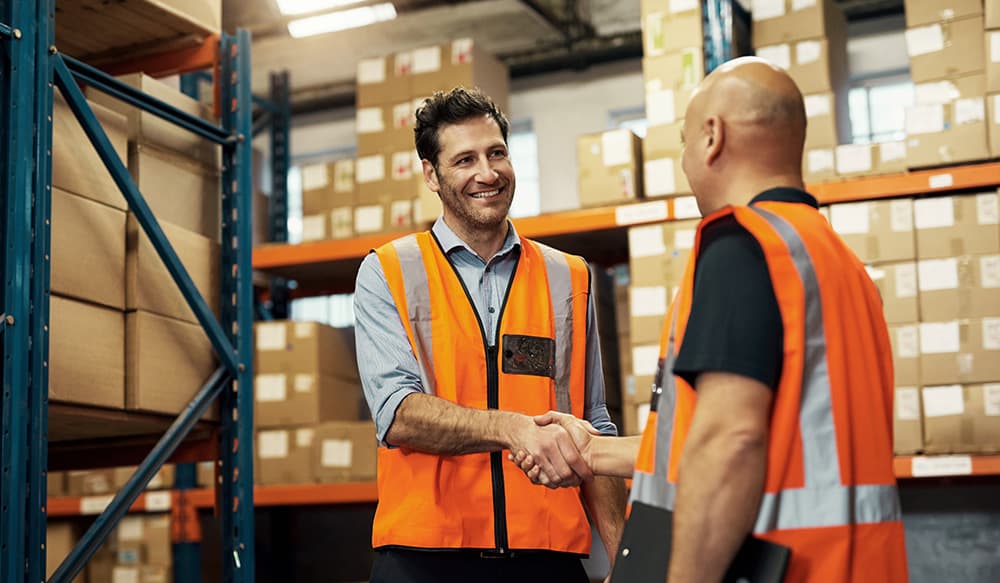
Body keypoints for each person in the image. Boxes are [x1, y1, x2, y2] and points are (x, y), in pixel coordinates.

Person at [513, 57, 909, 582]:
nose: (684, 160)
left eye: (683, 141)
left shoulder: (742, 243)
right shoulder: (839, 264)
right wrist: (593, 449)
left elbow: (731, 439)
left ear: (711, 137)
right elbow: (764, 434)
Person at [353, 86, 627, 583]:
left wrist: (628, 560)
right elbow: (396, 414)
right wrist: (512, 428)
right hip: (424, 558)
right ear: (431, 175)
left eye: (496, 152)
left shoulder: (570, 276)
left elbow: (593, 423)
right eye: (464, 160)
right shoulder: (389, 271)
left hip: (547, 559)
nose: (487, 173)